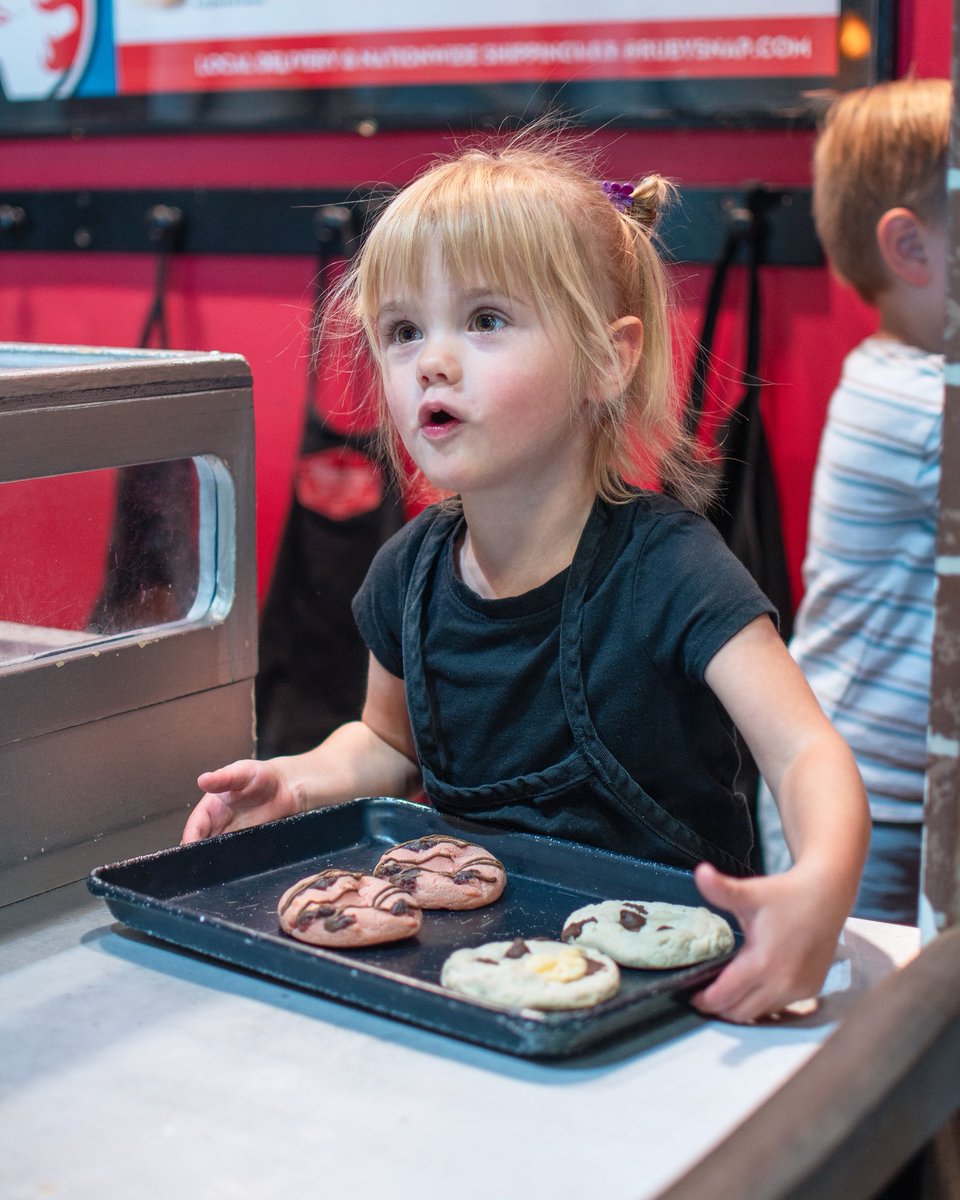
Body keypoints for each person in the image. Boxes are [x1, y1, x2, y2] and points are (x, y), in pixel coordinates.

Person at [183, 129, 869, 1023]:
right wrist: (300, 780)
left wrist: (818, 886)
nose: (432, 358)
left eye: (485, 321)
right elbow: (388, 747)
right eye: (402, 330)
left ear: (607, 359)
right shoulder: (407, 574)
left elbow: (805, 750)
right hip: (479, 980)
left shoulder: (675, 569)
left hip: (670, 997)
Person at [759, 79, 950, 925]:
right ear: (913, 249)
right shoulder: (914, 401)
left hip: (904, 790)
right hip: (859, 797)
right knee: (856, 1022)